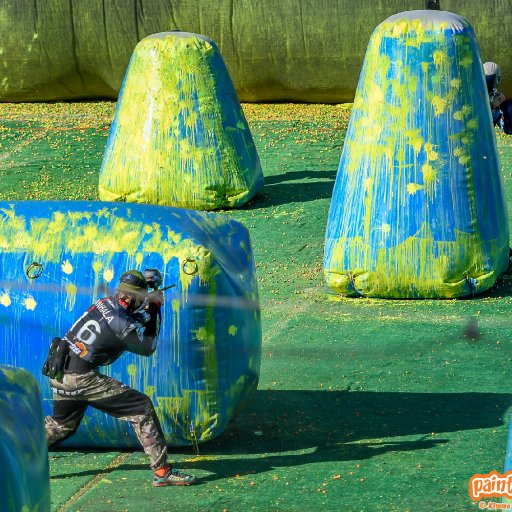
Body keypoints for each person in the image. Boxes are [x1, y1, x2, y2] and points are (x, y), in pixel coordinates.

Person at [43, 269, 197, 487]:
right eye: (132, 295)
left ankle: (13, 454)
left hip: (60, 372)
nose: (128, 298)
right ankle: (162, 471)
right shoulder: (121, 322)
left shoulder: (107, 302)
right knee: (141, 407)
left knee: (61, 425)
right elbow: (148, 346)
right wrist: (155, 310)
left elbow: (128, 317)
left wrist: (147, 300)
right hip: (81, 377)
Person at [483, 61, 512, 134]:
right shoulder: (474, 97)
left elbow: (508, 129)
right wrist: (490, 107)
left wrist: (505, 104)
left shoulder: (496, 98)